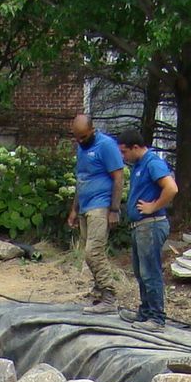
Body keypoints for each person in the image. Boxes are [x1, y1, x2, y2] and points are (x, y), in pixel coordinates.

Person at [117, 128, 177, 328]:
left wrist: (154, 206)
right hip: (139, 227)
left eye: (124, 152)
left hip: (150, 225)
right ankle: (145, 312)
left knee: (150, 272)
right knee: (141, 271)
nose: (123, 156)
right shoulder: (138, 165)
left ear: (135, 147)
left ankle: (157, 318)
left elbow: (171, 188)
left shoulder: (152, 163)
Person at [67, 113, 125, 311]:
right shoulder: (82, 148)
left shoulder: (106, 145)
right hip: (85, 205)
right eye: (76, 136)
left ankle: (109, 296)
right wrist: (74, 209)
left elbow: (118, 178)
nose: (79, 140)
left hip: (100, 206)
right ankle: (99, 290)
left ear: (92, 130)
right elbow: (81, 179)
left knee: (94, 252)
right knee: (87, 253)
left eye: (83, 136)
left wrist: (114, 209)